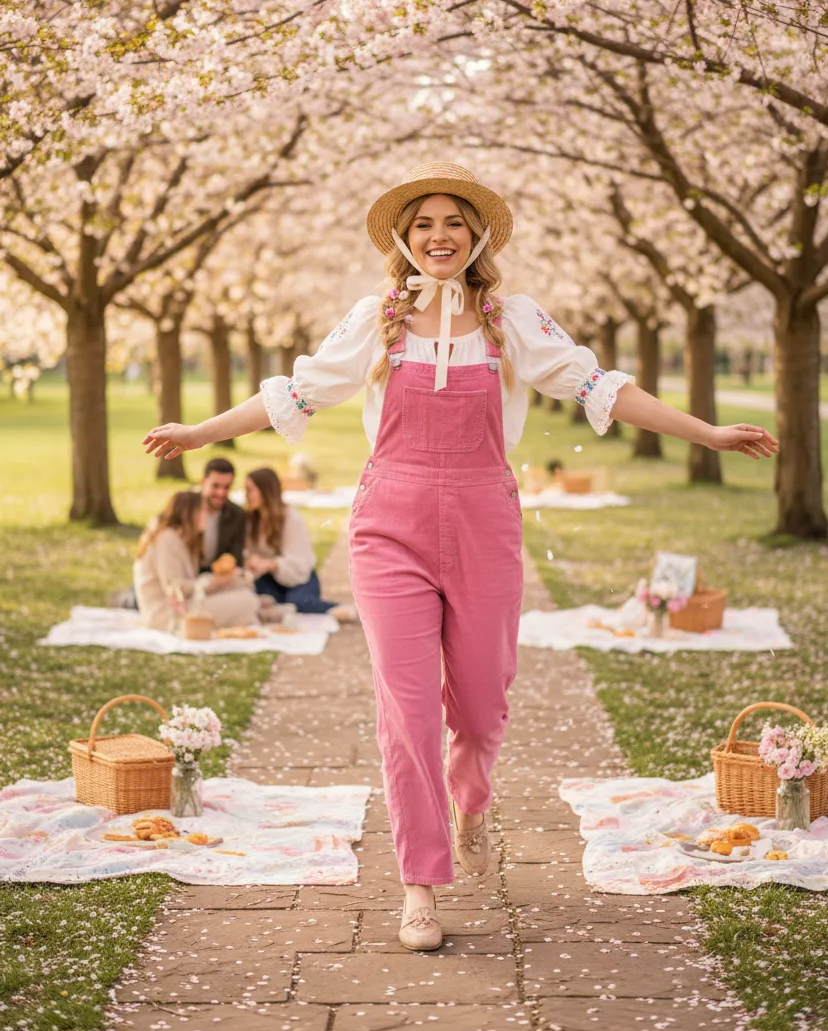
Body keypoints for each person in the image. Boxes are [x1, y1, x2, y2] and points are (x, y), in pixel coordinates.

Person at [143, 163, 778, 951]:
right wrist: (199, 435)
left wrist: (709, 433)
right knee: (405, 711)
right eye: (423, 226)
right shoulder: (376, 319)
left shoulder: (511, 319)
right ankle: (420, 883)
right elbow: (296, 395)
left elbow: (600, 389)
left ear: (474, 236)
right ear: (405, 241)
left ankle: (470, 800)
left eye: (451, 223)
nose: (438, 237)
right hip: (390, 526)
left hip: (484, 522)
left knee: (480, 709)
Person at [134, 491, 262, 631]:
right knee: (246, 601)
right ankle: (263, 613)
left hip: (186, 604)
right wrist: (213, 583)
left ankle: (264, 611)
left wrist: (224, 581)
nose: (207, 515)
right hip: (167, 614)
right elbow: (175, 589)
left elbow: (191, 584)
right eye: (203, 511)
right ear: (189, 513)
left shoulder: (184, 540)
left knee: (241, 588)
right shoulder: (167, 539)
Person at [244, 467, 357, 620]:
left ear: (265, 491)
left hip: (300, 577)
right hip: (271, 580)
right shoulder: (251, 520)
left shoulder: (290, 518)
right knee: (254, 597)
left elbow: (299, 562)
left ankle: (340, 610)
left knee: (299, 602)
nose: (247, 495)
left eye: (250, 490)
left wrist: (272, 564)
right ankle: (286, 608)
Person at [199, 456, 247, 570]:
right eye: (215, 486)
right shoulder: (186, 508)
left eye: (226, 487)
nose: (221, 493)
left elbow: (236, 556)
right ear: (203, 482)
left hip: (218, 575)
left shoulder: (237, 514)